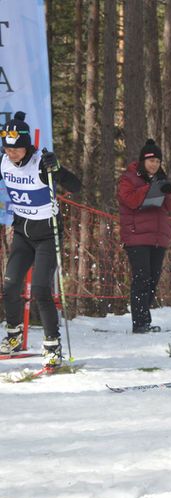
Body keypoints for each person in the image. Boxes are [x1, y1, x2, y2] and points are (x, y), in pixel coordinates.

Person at [0, 112, 82, 367]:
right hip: (23, 233)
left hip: (47, 234)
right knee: (10, 286)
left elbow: (76, 186)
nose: (11, 154)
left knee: (40, 290)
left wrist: (57, 169)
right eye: (7, 149)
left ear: (27, 146)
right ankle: (13, 335)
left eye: (16, 149)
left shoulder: (40, 164)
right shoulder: (4, 161)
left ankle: (52, 343)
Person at [116, 138, 171, 333]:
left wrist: (168, 191)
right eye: (151, 160)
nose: (154, 164)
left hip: (158, 237)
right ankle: (140, 322)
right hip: (136, 236)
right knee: (142, 277)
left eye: (158, 161)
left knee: (153, 279)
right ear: (143, 161)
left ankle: (144, 317)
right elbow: (129, 200)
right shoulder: (128, 178)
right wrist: (150, 187)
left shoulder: (162, 179)